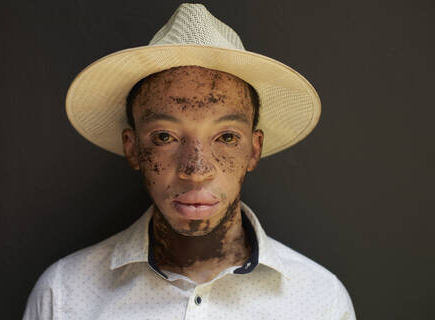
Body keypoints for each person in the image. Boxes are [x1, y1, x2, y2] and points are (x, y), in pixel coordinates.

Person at [23, 3, 356, 319]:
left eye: (226, 137)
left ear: (253, 150)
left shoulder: (320, 300)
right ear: (133, 148)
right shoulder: (63, 295)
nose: (196, 171)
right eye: (165, 137)